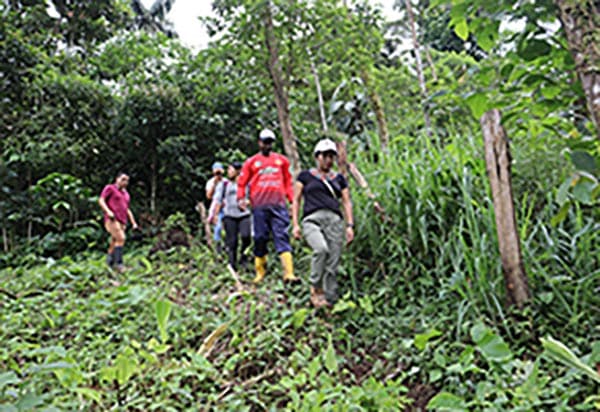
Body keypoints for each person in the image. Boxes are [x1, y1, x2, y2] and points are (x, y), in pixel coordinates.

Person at [291, 139, 354, 308]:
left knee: (333, 262)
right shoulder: (305, 176)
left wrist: (349, 226)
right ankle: (316, 288)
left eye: (331, 156)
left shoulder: (339, 178)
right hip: (312, 219)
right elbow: (296, 200)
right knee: (321, 249)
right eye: (324, 155)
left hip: (334, 220)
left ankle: (330, 299)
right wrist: (295, 224)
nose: (328, 160)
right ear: (317, 157)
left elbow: (347, 202)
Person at [237, 128, 299, 284]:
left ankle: (289, 274)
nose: (267, 145)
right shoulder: (251, 162)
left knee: (282, 236)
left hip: (278, 206)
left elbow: (288, 183)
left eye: (270, 142)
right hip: (259, 206)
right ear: (259, 143)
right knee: (259, 237)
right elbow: (241, 183)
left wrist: (292, 202)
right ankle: (260, 273)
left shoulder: (282, 161)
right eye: (265, 142)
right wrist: (241, 199)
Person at [212, 161, 252, 271]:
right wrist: (215, 215)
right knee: (232, 241)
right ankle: (232, 264)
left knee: (246, 236)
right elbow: (218, 200)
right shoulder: (224, 185)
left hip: (244, 214)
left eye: (231, 170)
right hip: (229, 215)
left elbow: (253, 197)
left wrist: (247, 202)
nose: (228, 172)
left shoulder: (247, 184)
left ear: (238, 171)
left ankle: (244, 257)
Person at [98, 172, 138, 273]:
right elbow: (101, 200)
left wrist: (133, 222)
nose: (125, 182)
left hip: (122, 220)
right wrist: (108, 212)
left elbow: (127, 209)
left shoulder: (126, 194)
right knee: (121, 238)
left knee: (114, 241)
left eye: (127, 180)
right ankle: (119, 264)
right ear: (117, 179)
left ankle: (109, 264)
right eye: (123, 179)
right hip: (112, 219)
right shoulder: (110, 188)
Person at [206, 162, 226, 253]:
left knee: (227, 228)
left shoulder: (226, 182)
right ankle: (218, 250)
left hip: (226, 207)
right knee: (217, 228)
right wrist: (214, 183)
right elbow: (209, 196)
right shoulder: (210, 182)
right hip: (215, 208)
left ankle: (226, 248)